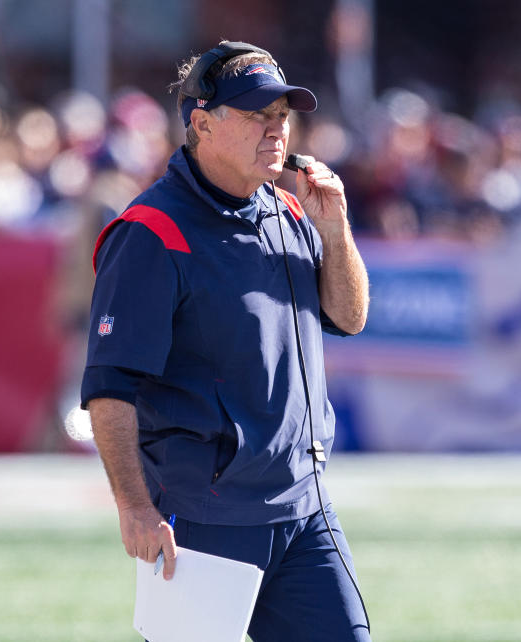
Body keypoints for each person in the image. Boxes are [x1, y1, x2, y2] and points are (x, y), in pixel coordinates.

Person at [81, 41, 370, 641]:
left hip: (302, 506)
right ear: (202, 124)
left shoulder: (291, 211)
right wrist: (134, 506)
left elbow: (348, 317)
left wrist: (336, 230)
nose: (275, 131)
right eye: (255, 115)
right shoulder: (151, 232)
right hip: (203, 515)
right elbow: (110, 387)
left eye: (281, 117)